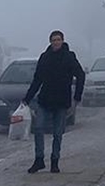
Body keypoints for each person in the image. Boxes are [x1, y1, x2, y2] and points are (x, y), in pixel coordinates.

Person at [22, 30, 86, 174]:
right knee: (38, 128)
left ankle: (54, 161)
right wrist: (27, 98)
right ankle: (39, 160)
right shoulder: (45, 58)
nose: (56, 42)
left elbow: (80, 75)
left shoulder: (69, 57)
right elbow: (37, 79)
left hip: (62, 101)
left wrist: (77, 96)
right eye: (53, 40)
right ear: (50, 42)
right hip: (45, 100)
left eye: (58, 40)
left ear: (62, 41)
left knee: (57, 133)